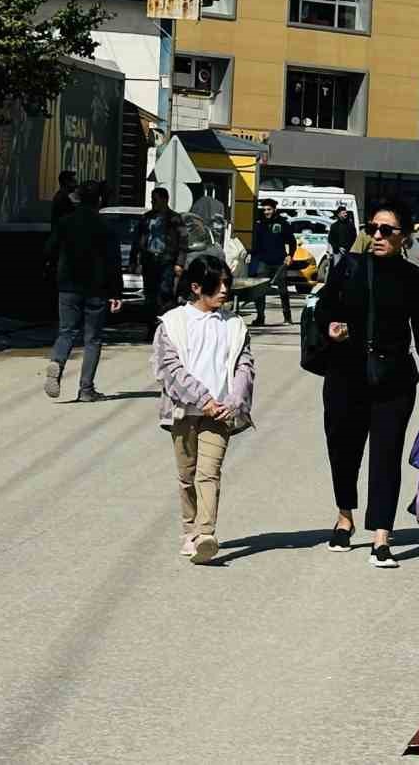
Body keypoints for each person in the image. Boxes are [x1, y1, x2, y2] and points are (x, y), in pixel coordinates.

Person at [316, 199, 419, 568]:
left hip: (393, 379)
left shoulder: (412, 278)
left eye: (385, 230)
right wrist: (331, 327)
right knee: (343, 449)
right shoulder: (349, 267)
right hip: (345, 375)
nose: (376, 235)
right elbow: (323, 307)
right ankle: (345, 517)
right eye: (371, 228)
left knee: (386, 456)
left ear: (403, 237)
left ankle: (381, 536)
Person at [152, 256, 256, 565]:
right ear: (196, 287)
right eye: (218, 284)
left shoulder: (234, 325)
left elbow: (244, 366)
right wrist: (203, 400)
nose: (225, 289)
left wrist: (233, 401)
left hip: (221, 413)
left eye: (228, 283)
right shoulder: (172, 323)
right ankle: (189, 529)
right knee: (187, 475)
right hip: (184, 412)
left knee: (208, 474)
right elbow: (169, 370)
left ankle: (205, 534)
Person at [44, 182, 124, 402]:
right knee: (93, 339)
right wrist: (117, 293)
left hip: (68, 286)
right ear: (99, 200)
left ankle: (57, 361)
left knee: (66, 331)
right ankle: (86, 389)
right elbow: (113, 262)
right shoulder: (106, 227)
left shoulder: (65, 223)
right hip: (96, 289)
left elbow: (49, 249)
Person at [131, 187, 188, 341]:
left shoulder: (175, 219)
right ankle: (151, 329)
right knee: (150, 296)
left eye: (155, 199)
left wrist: (180, 263)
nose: (153, 202)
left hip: (167, 262)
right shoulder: (146, 218)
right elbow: (137, 240)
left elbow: (183, 242)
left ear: (164, 200)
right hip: (149, 261)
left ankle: (164, 328)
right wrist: (134, 260)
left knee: (165, 294)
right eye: (152, 199)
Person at [248, 198, 296, 327]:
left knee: (283, 291)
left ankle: (287, 317)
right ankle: (260, 317)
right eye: (264, 210)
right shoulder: (259, 224)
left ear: (275, 209)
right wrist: (251, 256)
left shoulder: (283, 223)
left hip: (279, 261)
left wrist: (290, 256)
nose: (266, 212)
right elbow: (255, 244)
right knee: (260, 290)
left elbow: (292, 242)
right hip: (263, 261)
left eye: (268, 209)